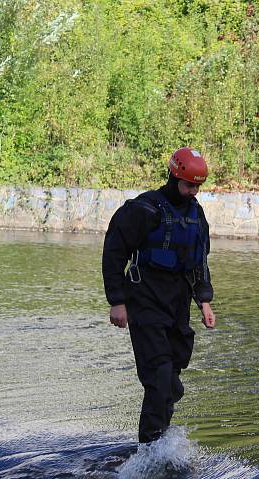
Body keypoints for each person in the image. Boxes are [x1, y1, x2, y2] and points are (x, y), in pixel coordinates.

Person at [102, 147, 216, 444]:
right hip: (145, 298)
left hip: (177, 302)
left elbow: (199, 259)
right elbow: (115, 251)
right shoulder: (145, 209)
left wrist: (204, 300)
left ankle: (160, 438)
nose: (193, 192)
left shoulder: (196, 214)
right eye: (189, 185)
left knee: (173, 372)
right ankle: (151, 448)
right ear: (174, 176)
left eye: (198, 187)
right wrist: (117, 300)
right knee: (159, 375)